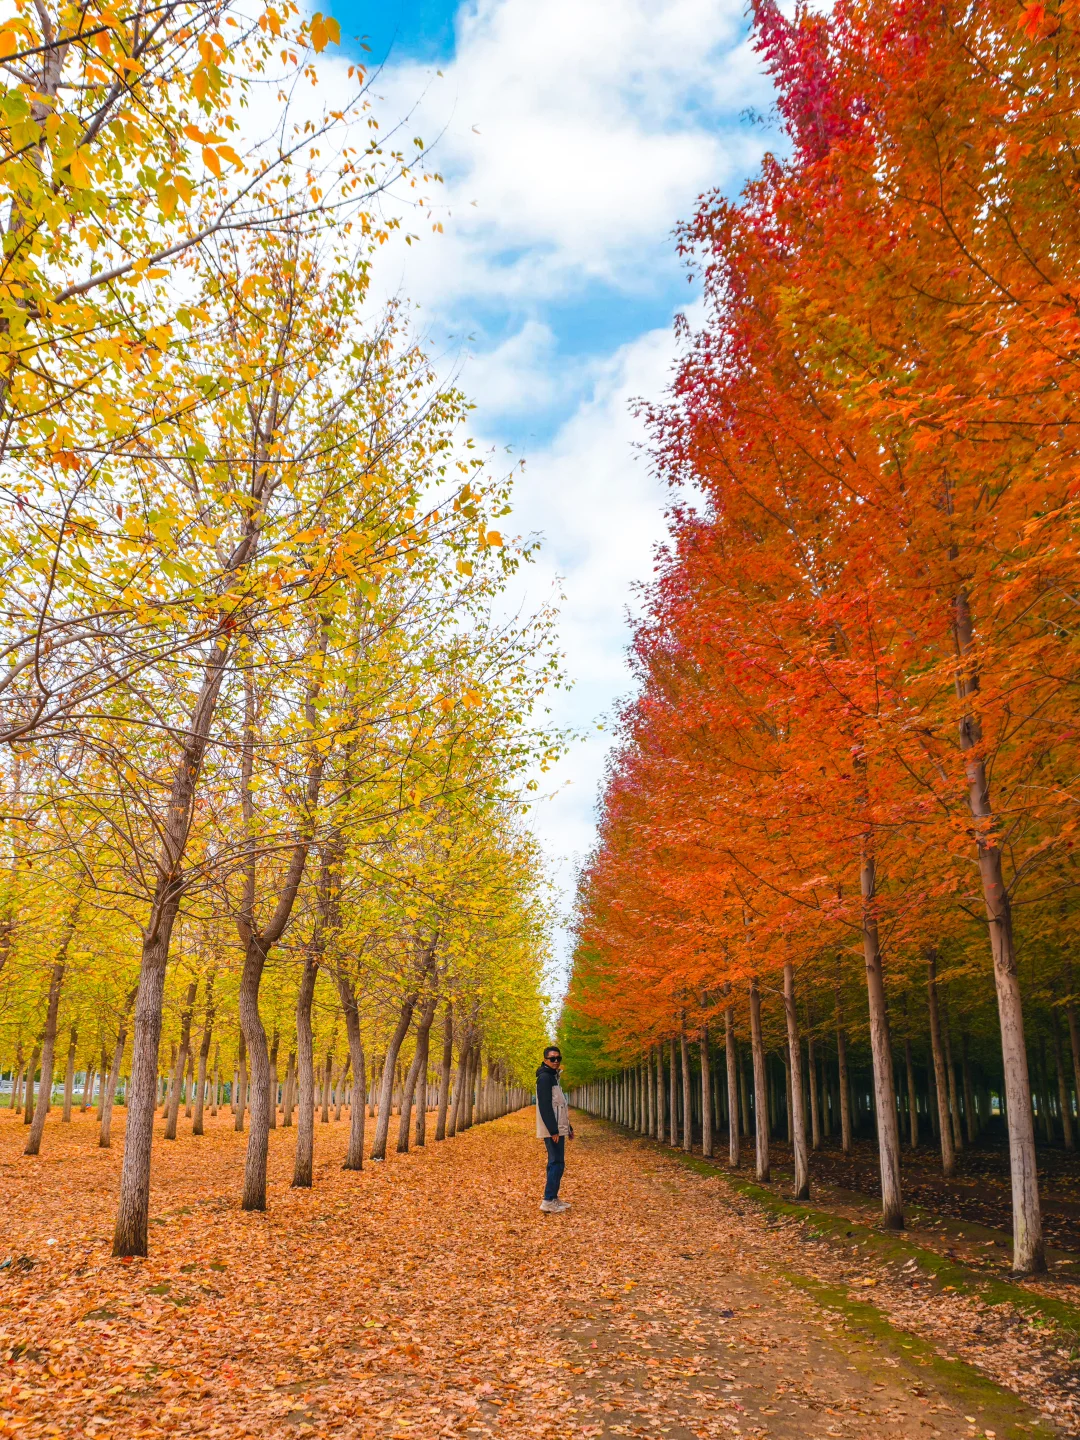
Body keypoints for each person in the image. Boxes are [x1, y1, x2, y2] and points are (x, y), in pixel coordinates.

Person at [535, 1045, 573, 1213]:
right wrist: (553, 1130)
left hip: (558, 1127)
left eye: (558, 1058)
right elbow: (545, 1106)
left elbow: (560, 1106)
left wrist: (568, 1127)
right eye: (552, 1059)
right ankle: (548, 1200)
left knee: (557, 1163)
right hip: (552, 1129)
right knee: (556, 1162)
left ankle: (553, 1197)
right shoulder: (545, 1078)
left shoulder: (553, 1077)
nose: (556, 1061)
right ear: (545, 1060)